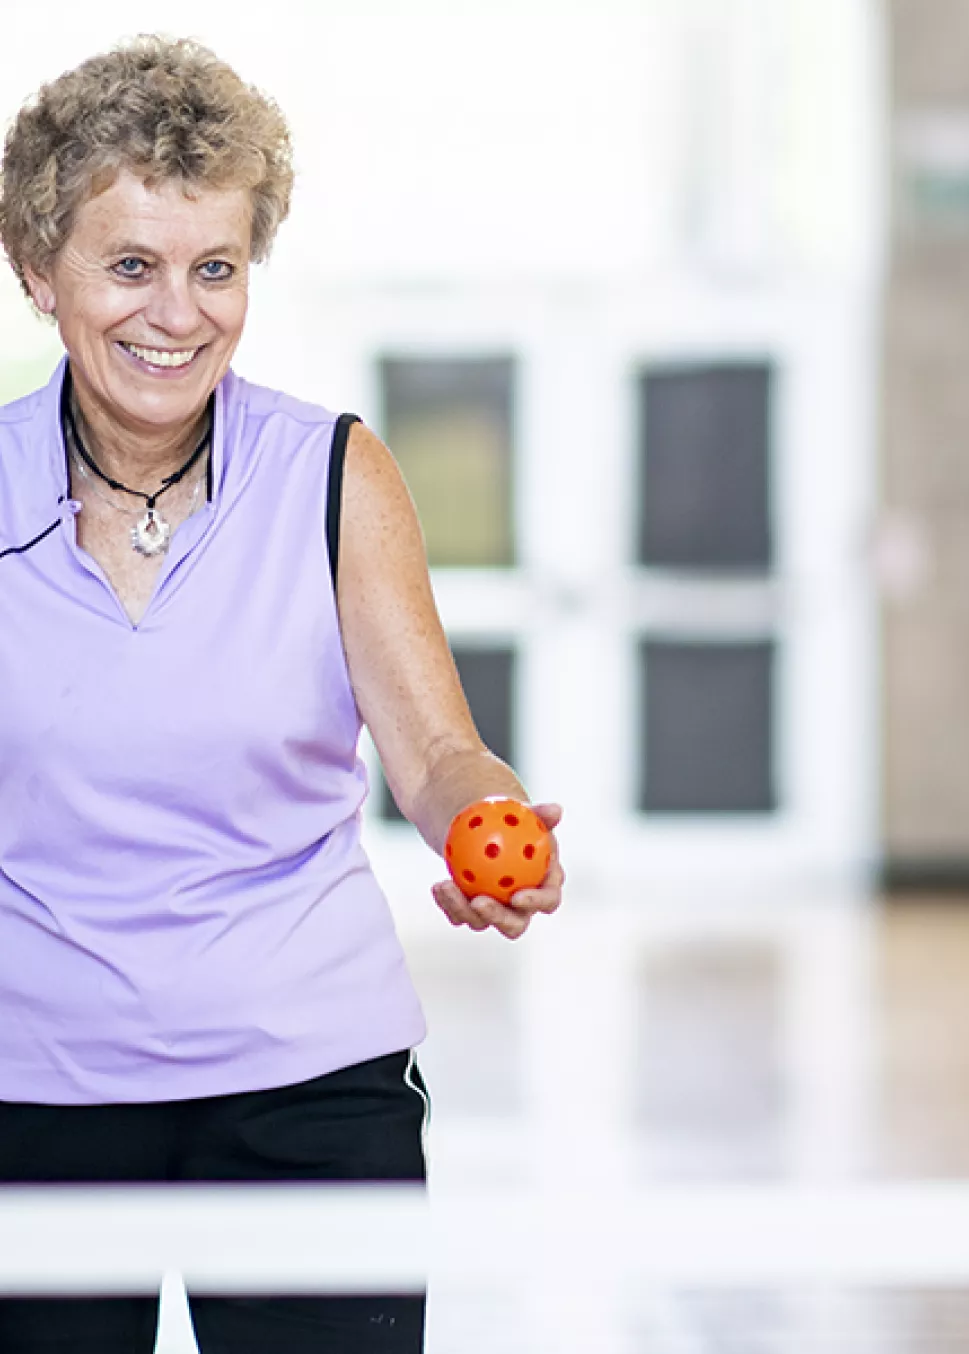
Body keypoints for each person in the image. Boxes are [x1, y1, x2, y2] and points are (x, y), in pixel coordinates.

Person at [0, 34, 564, 1354]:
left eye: (216, 267)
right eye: (131, 265)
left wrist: (489, 821)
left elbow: (436, 751)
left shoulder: (334, 474)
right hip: (37, 1086)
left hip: (309, 1083)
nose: (177, 313)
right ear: (39, 269)